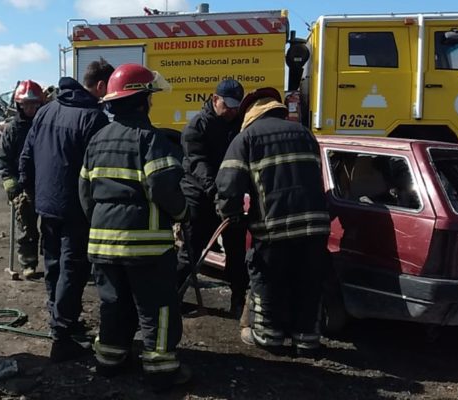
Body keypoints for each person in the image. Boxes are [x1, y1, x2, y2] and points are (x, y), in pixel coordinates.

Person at [79, 63, 191, 392]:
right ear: (143, 101)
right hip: (146, 247)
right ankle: (160, 371)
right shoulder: (151, 139)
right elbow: (163, 188)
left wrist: (101, 225)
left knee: (114, 304)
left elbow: (84, 194)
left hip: (102, 244)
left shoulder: (97, 141)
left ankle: (110, 361)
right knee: (158, 308)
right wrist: (183, 213)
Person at [215, 87, 331, 356]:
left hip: (273, 227)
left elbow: (228, 184)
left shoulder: (248, 137)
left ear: (250, 113)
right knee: (307, 280)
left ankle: (269, 337)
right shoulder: (305, 134)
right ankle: (307, 340)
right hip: (315, 227)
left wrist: (230, 213)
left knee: (268, 280)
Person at [19, 58, 113, 362]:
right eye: (108, 89)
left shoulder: (46, 110)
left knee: (54, 265)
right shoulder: (93, 118)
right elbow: (99, 170)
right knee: (73, 269)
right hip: (76, 208)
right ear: (100, 86)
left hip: (46, 205)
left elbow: (26, 158)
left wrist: (32, 193)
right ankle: (62, 335)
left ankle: (58, 318)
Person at [176, 79, 248, 316]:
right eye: (228, 105)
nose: (232, 111)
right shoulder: (196, 127)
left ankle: (239, 301)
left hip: (229, 196)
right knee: (192, 250)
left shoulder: (239, 123)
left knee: (236, 252)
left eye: (236, 106)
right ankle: (172, 299)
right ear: (214, 99)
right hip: (199, 194)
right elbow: (198, 164)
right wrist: (215, 192)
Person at [0, 80, 43, 279]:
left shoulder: (46, 125)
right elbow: (4, 160)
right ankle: (28, 263)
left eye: (34, 104)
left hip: (46, 184)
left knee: (52, 228)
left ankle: (53, 261)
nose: (30, 108)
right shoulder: (12, 130)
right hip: (23, 186)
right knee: (27, 228)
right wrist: (10, 184)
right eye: (26, 104)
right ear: (19, 105)